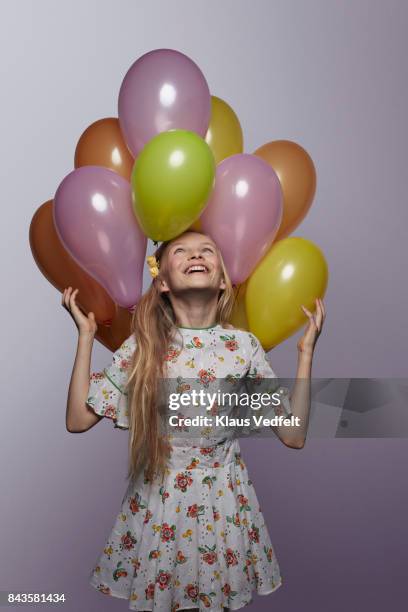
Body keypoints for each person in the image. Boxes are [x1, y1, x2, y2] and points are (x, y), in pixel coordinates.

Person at [63, 230, 325, 611]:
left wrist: (305, 354)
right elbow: (77, 420)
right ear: (163, 281)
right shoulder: (144, 344)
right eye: (181, 251)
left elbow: (293, 435)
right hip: (160, 503)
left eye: (206, 250)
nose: (195, 254)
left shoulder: (243, 347)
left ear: (222, 279)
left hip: (223, 505)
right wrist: (85, 337)